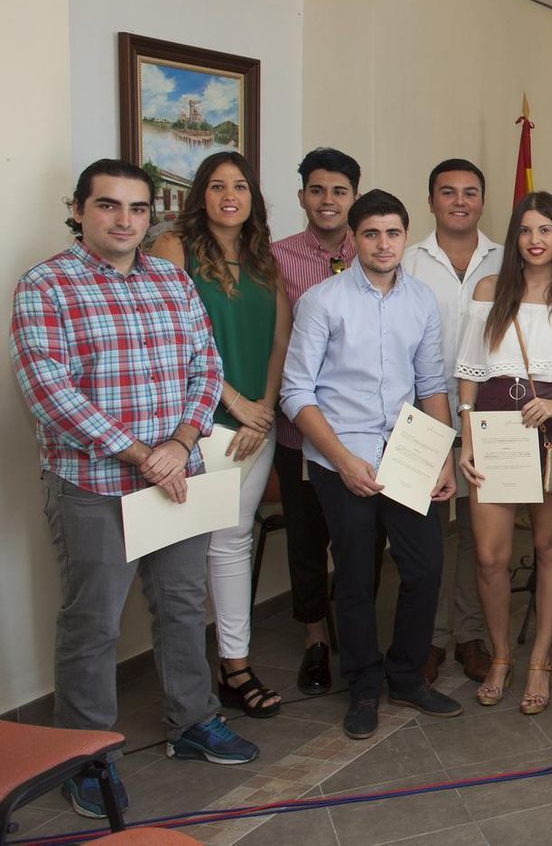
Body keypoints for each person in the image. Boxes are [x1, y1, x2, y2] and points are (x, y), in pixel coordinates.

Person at [11, 160, 259, 817]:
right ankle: (86, 759)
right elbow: (48, 392)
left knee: (181, 604)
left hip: (177, 476)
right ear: (80, 209)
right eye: (109, 206)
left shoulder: (171, 279)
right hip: (93, 483)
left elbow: (207, 365)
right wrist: (144, 455)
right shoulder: (46, 285)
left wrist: (178, 446)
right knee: (92, 624)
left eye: (138, 208)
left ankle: (192, 723)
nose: (125, 220)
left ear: (153, 215)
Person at [280, 190, 463, 739]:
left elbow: (432, 385)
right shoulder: (322, 300)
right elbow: (295, 392)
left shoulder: (421, 300)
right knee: (356, 577)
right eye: (371, 234)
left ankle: (406, 676)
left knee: (424, 567)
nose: (383, 245)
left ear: (406, 238)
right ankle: (362, 685)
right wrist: (341, 460)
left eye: (393, 233)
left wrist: (443, 458)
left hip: (409, 452)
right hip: (345, 458)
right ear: (353, 239)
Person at [151, 151, 291, 720]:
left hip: (256, 426)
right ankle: (184, 694)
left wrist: (264, 407)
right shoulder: (172, 250)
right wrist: (234, 403)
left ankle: (235, 664)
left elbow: (281, 340)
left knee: (233, 543)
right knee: (184, 559)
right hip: (198, 424)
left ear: (253, 196)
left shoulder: (265, 259)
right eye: (216, 186)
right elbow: (173, 342)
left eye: (239, 186)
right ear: (200, 196)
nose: (228, 195)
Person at [456, 191, 552, 714]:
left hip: (551, 429)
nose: (535, 241)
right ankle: (498, 655)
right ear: (514, 238)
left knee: (548, 546)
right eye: (526, 230)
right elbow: (467, 372)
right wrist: (464, 438)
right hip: (493, 427)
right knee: (490, 554)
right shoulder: (491, 290)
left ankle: (538, 657)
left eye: (545, 230)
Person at [400, 159, 503, 685]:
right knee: (433, 531)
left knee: (479, 535)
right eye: (448, 192)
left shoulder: (506, 259)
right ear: (431, 200)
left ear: (482, 201)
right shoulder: (409, 259)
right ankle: (431, 638)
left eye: (470, 192)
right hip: (423, 416)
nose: (459, 201)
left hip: (491, 418)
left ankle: (470, 635)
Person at [270, 146, 360, 696]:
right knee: (306, 542)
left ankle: (354, 631)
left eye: (339, 191)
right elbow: (278, 343)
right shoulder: (277, 257)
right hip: (298, 425)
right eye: (317, 190)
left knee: (360, 542)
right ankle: (314, 641)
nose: (328, 201)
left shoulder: (375, 247)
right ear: (302, 194)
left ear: (353, 195)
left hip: (361, 431)